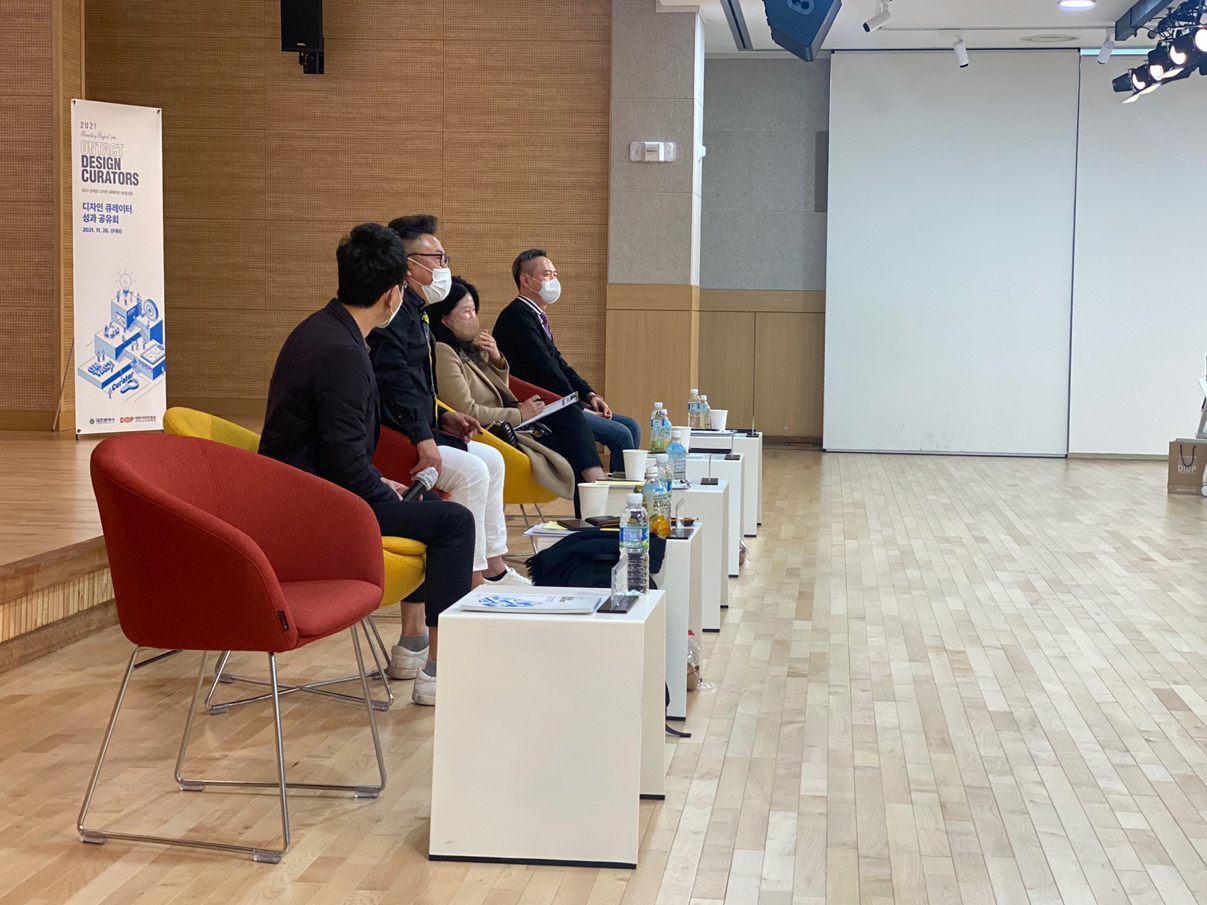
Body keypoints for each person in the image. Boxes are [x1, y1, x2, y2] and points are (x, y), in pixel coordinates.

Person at [259, 222, 475, 706]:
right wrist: (378, 489)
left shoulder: (321, 329)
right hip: (313, 506)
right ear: (393, 294)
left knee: (427, 504)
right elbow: (340, 459)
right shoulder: (345, 354)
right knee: (454, 522)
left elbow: (332, 447)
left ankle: (417, 647)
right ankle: (440, 670)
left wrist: (379, 482)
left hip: (307, 488)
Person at [367, 215, 530, 593]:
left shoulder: (417, 312)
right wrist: (424, 437)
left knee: (493, 460)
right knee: (472, 471)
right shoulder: (392, 315)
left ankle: (494, 567)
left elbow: (421, 389)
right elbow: (395, 387)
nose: (444, 267)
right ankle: (469, 581)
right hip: (395, 437)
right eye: (438, 258)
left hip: (418, 428)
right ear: (410, 265)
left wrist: (444, 416)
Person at [427, 276, 607, 500]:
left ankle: (595, 498)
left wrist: (496, 360)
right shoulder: (444, 352)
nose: (474, 318)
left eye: (474, 311)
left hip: (510, 424)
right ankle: (598, 494)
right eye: (467, 312)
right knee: (572, 431)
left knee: (570, 422)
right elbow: (467, 410)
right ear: (445, 319)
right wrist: (520, 414)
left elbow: (499, 392)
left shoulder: (465, 350)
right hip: (494, 432)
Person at [492, 249, 641, 473]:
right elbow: (547, 371)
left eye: (555, 275)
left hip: (559, 403)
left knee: (632, 426)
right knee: (620, 434)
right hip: (543, 408)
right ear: (526, 280)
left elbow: (560, 364)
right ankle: (609, 494)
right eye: (547, 275)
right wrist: (577, 407)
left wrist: (590, 395)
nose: (554, 280)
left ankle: (621, 490)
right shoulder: (516, 316)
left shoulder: (535, 315)